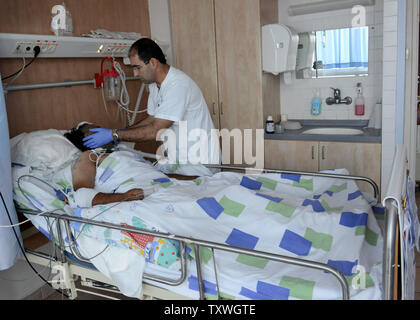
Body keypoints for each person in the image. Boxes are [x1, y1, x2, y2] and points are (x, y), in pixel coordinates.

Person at [82, 38, 219, 174]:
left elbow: (155, 130)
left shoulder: (177, 85)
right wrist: (120, 132)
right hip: (178, 160)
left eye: (137, 67)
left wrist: (115, 135)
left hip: (199, 161)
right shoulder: (154, 85)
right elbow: (152, 119)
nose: (135, 73)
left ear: (153, 62)